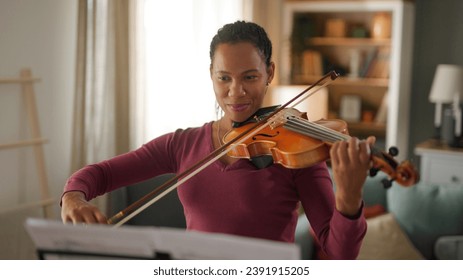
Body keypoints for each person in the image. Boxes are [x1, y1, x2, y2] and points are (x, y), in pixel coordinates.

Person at [61, 20, 374, 260]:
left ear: (270, 73)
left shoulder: (297, 149)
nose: (235, 92)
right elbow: (99, 174)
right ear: (211, 74)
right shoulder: (182, 145)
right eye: (224, 77)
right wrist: (74, 196)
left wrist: (348, 198)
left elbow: (339, 256)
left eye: (250, 77)